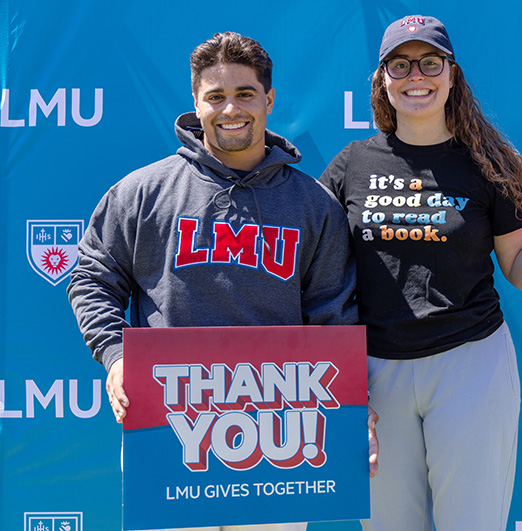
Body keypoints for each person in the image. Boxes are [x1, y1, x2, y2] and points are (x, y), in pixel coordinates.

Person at [68, 31, 378, 531]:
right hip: (167, 424)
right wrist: (117, 357)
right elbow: (93, 277)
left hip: (279, 432)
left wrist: (346, 413)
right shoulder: (143, 192)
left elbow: (332, 316)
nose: (230, 109)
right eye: (215, 96)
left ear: (269, 99)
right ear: (196, 103)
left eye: (245, 94)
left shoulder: (313, 206)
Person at [320, 15, 522, 531]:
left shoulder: (486, 162)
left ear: (452, 75)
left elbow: (518, 269)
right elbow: (318, 273)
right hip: (374, 371)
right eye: (399, 65)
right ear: (383, 78)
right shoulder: (350, 164)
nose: (415, 76)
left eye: (430, 62)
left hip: (471, 362)